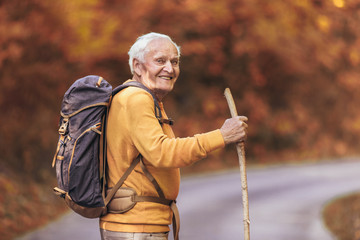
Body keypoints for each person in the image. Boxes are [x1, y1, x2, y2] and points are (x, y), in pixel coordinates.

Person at [99, 32, 248, 240]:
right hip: (136, 228)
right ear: (138, 66)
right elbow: (163, 152)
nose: (170, 69)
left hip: (138, 225)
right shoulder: (136, 99)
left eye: (174, 62)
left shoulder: (138, 98)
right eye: (160, 60)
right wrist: (222, 136)